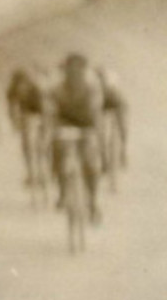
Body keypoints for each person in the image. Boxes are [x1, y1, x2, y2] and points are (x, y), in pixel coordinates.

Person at [47, 52, 104, 221]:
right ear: (65, 72)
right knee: (57, 151)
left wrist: (95, 131)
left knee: (91, 163)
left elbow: (96, 112)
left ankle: (93, 203)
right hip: (64, 125)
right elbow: (50, 112)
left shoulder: (92, 88)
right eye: (69, 71)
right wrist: (52, 127)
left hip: (87, 125)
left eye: (78, 70)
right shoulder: (56, 89)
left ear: (83, 71)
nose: (74, 74)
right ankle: (63, 192)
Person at [98, 65, 127, 169]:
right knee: (100, 131)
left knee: (122, 127)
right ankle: (103, 158)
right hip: (102, 107)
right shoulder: (94, 88)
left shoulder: (112, 89)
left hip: (116, 105)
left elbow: (120, 105)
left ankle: (123, 150)